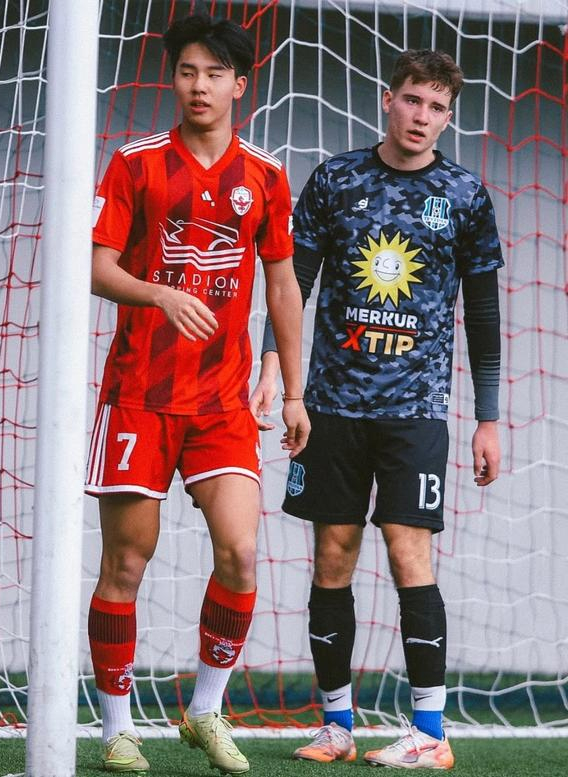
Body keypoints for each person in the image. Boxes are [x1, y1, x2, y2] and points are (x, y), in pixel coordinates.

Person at [251, 49, 502, 770]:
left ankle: (430, 731)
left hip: (415, 411)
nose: (423, 116)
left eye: (438, 107)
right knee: (332, 554)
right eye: (413, 100)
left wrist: (488, 418)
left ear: (448, 118)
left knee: (407, 550)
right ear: (388, 100)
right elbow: (293, 282)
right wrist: (273, 367)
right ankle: (337, 724)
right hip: (330, 406)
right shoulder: (336, 179)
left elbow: (483, 314)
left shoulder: (464, 195)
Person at [85, 12, 310, 775]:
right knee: (127, 559)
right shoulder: (137, 164)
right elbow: (97, 265)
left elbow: (283, 285)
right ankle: (117, 728)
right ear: (174, 80)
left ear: (239, 85)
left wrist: (292, 391)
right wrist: (158, 293)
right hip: (139, 396)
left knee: (241, 552)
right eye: (187, 71)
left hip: (221, 402)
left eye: (214, 73)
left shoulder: (265, 175)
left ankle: (205, 708)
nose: (199, 85)